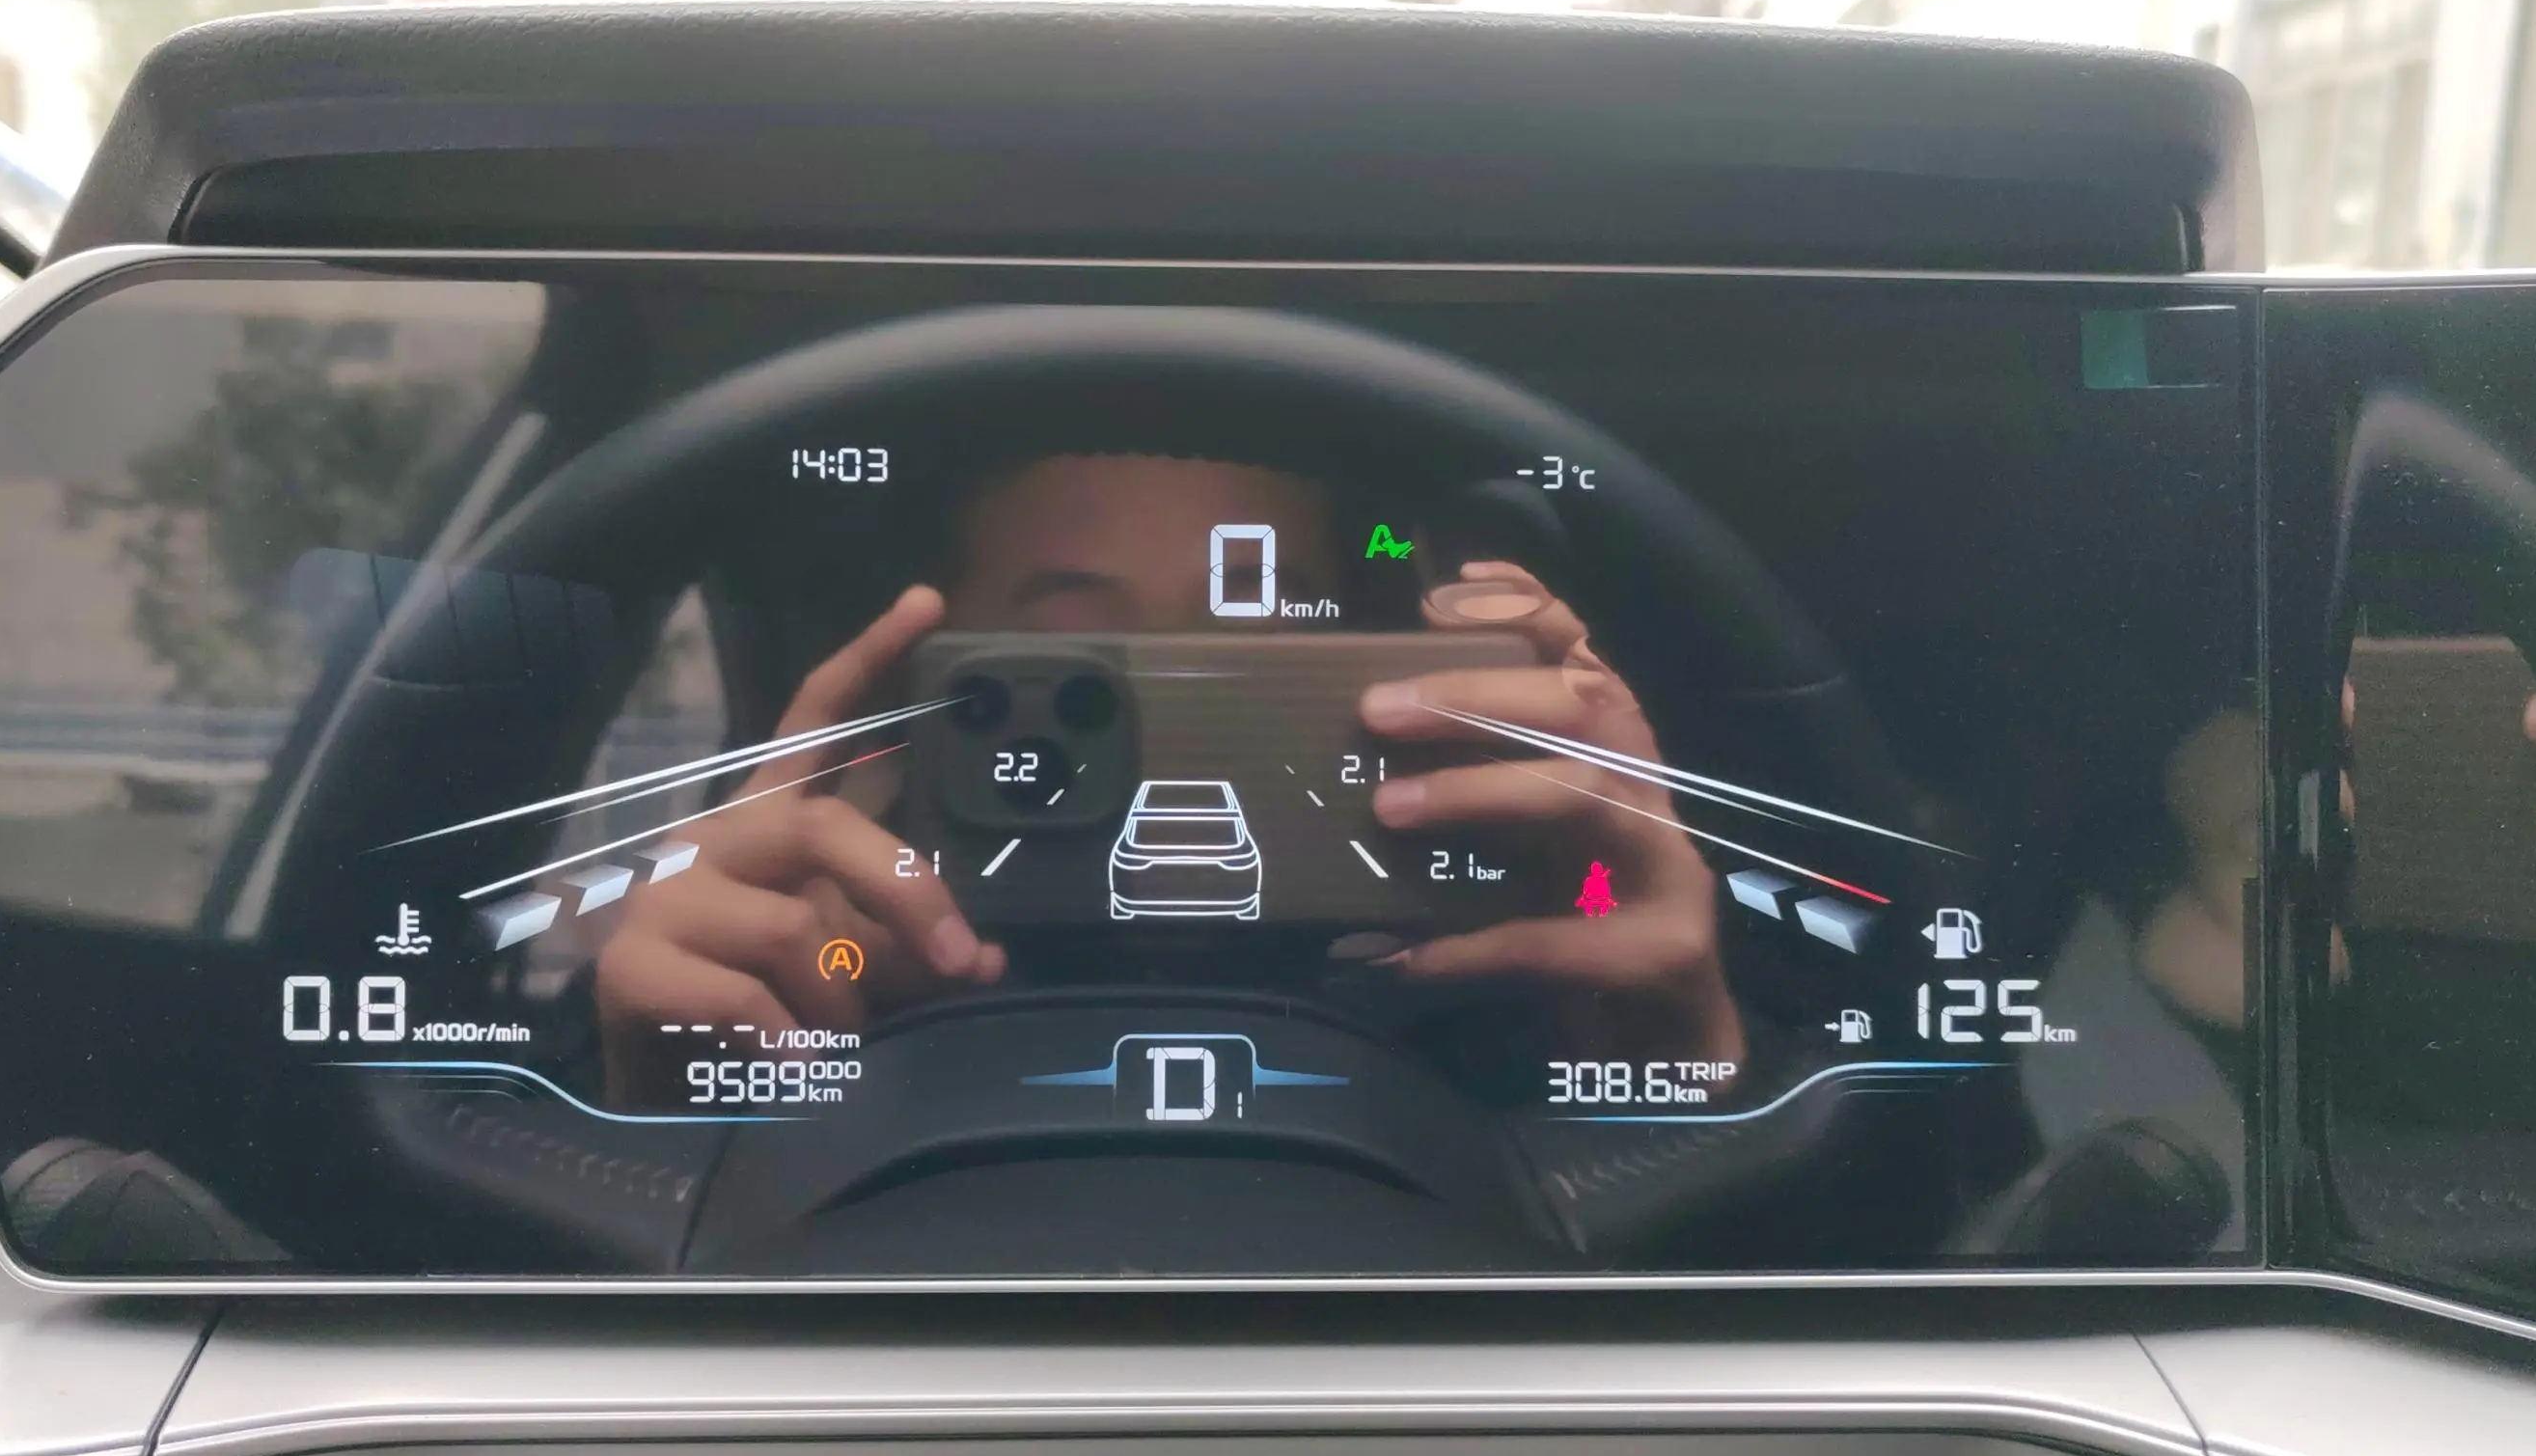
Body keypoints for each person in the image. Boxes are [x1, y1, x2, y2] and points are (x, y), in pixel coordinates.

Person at [591, 453, 1741, 1102]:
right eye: (1081, 660)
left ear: (1387, 672)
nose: (1181, 698)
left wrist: (1668, 1049)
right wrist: (678, 1093)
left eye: (1258, 638)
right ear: (925, 691)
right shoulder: (822, 954)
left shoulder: (1500, 963)